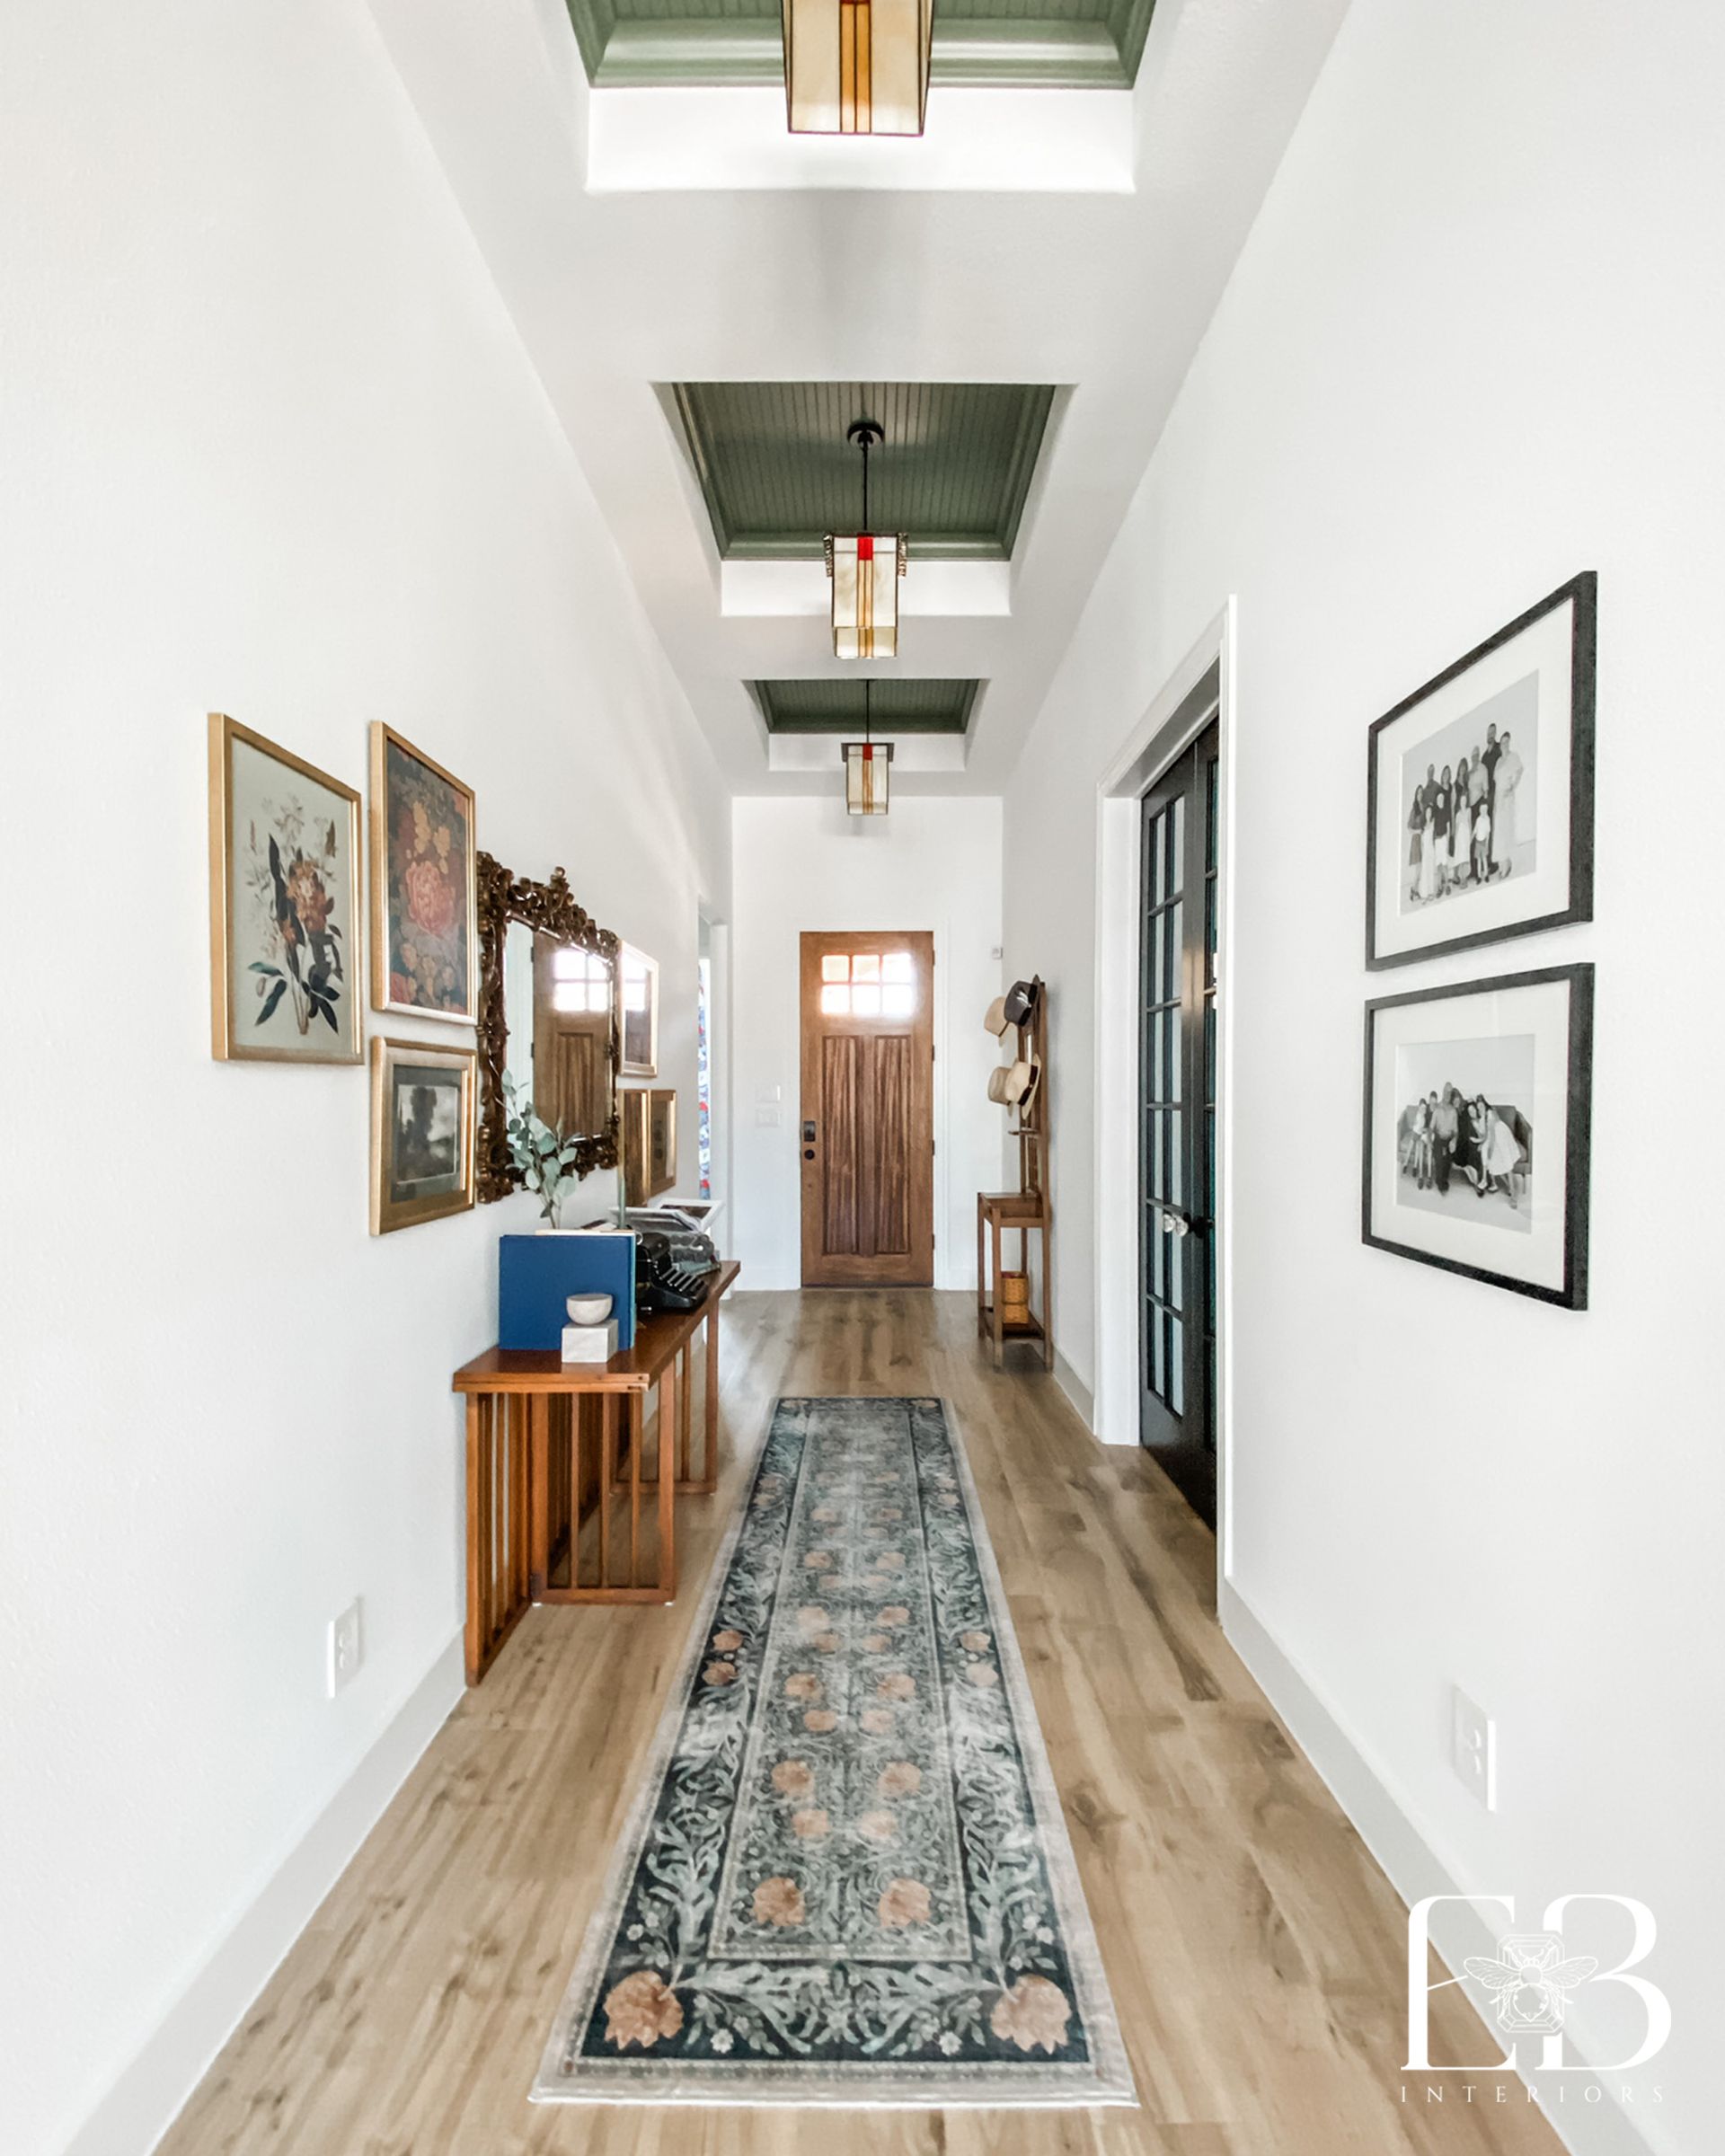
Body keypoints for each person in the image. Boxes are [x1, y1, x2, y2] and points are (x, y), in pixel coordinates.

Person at [1476, 1095, 1526, 1208]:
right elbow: (1486, 1135)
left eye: (1482, 1105)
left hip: (1501, 1135)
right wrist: (1482, 1143)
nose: (1480, 1107)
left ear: (1485, 1104)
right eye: (1478, 1106)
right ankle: (1509, 1186)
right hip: (1493, 1138)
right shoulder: (1481, 1118)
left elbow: (1493, 1134)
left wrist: (1491, 1150)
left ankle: (1513, 1197)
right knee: (1497, 1164)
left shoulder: (1490, 1113)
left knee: (1507, 1165)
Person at [1492, 729, 1526, 877]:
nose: (1504, 745)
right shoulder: (1499, 761)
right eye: (1502, 742)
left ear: (1509, 742)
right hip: (1498, 799)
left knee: (1506, 829)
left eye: (1507, 742)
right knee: (1498, 830)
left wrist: (1512, 786)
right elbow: (1496, 780)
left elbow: (1520, 770)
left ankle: (1507, 864)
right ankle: (1501, 862)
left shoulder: (1514, 757)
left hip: (1507, 798)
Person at [1481, 722, 1503, 874]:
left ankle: (1495, 861)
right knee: (1486, 827)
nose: (1490, 735)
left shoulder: (1499, 749)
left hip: (1496, 793)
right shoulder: (1483, 755)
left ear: (1495, 734)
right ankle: (1487, 861)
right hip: (1486, 795)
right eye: (1488, 733)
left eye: (1492, 733)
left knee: (1495, 826)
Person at [1429, 1085, 1459, 1194]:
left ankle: (1443, 1181)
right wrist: (1429, 1140)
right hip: (1438, 1138)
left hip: (1449, 1140)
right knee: (1439, 1159)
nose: (1447, 1094)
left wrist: (1454, 1140)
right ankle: (1441, 1184)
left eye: (1450, 1092)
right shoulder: (1437, 1108)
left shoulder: (1453, 1111)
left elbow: (1456, 1131)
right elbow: (1431, 1127)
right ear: (1442, 1092)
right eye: (1446, 1092)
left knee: (1447, 1161)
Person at [1453, 757, 1473, 886]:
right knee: (1458, 850)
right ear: (1459, 768)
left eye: (1465, 767)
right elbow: (1454, 801)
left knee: (1464, 850)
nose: (1463, 769)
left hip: (1465, 815)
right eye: (1461, 767)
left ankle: (1464, 876)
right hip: (1458, 814)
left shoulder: (1466, 782)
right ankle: (1456, 875)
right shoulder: (1455, 784)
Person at [1411, 1093, 1435, 1188]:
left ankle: (1429, 1176)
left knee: (1429, 1150)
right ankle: (1420, 1176)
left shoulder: (1436, 1111)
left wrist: (1427, 1131)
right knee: (1420, 1146)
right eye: (1431, 1100)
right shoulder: (1425, 1109)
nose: (1433, 1103)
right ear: (1429, 1100)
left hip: (1431, 1135)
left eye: (1435, 1101)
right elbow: (1419, 1123)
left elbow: (1434, 1128)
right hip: (1423, 1135)